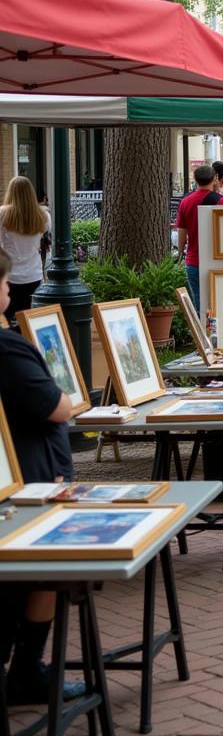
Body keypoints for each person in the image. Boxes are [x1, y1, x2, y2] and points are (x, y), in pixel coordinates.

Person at [0, 249, 85, 703]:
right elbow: (57, 405)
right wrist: (67, 401)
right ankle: (27, 670)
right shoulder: (9, 348)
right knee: (43, 573)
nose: (9, 290)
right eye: (4, 283)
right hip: (31, 476)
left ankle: (27, 667)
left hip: (24, 473)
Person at [174, 164, 223, 310]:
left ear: (195, 179)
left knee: (200, 304)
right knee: (218, 302)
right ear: (215, 178)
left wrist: (180, 252)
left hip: (193, 260)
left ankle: (202, 331)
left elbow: (182, 232)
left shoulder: (185, 202)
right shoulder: (221, 202)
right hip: (216, 259)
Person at [0, 177, 51, 328]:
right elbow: (46, 240)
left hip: (10, 277)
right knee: (29, 322)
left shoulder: (3, 214)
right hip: (33, 275)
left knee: (7, 322)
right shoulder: (43, 216)